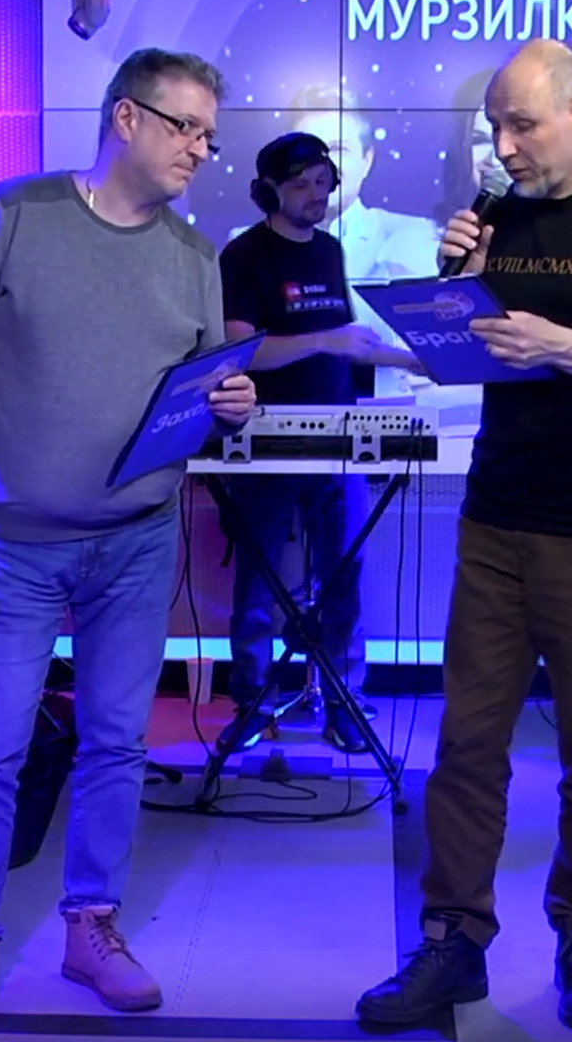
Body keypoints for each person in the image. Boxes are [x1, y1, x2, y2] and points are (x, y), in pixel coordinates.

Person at [0, 47, 256, 1038]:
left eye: (209, 134)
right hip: (12, 543)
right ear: (126, 118)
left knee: (115, 743)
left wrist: (228, 403)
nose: (202, 148)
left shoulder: (194, 255)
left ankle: (90, 927)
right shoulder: (16, 216)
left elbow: (194, 397)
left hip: (137, 543)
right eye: (186, 127)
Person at [354, 40, 572, 1032]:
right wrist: (455, 291)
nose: (504, 145)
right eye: (494, 128)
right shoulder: (499, 218)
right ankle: (452, 943)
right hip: (497, 516)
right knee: (466, 745)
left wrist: (559, 343)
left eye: (522, 125)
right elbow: (468, 358)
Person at [217, 131, 420, 756]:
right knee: (259, 582)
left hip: (340, 436)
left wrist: (413, 359)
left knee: (344, 575)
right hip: (265, 438)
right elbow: (241, 351)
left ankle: (343, 701)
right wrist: (323, 341)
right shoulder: (243, 254)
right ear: (268, 190)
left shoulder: (329, 250)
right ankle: (253, 703)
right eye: (301, 184)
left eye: (323, 183)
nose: (316, 195)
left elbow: (347, 341)